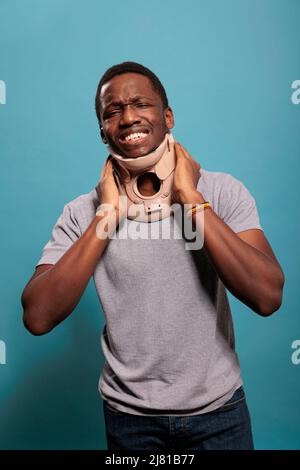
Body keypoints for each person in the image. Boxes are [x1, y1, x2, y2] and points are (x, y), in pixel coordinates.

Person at [21, 61, 285, 451]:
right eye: (112, 111)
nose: (127, 117)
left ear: (167, 116)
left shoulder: (221, 191)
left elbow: (267, 296)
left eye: (140, 104)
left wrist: (192, 200)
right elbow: (38, 316)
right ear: (102, 131)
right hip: (130, 421)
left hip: (219, 413)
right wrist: (107, 215)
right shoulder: (82, 212)